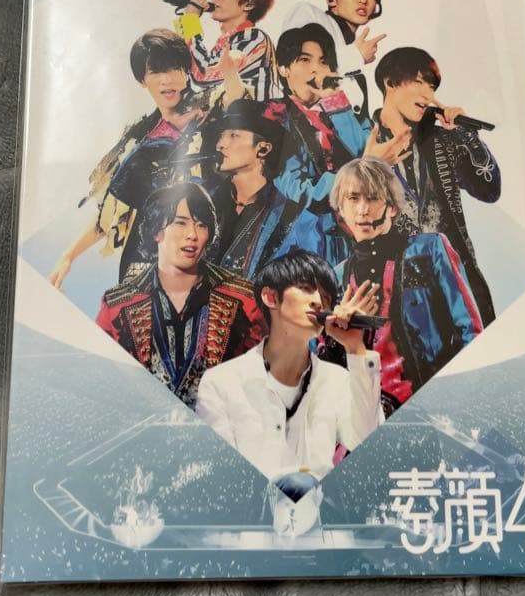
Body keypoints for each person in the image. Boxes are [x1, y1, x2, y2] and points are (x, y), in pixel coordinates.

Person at [49, 29, 245, 289]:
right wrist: (69, 255)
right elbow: (113, 212)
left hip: (203, 251)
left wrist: (230, 73)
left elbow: (236, 104)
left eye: (174, 68)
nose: (167, 80)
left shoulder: (206, 110)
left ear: (186, 72)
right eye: (156, 72)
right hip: (145, 261)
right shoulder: (139, 137)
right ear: (142, 79)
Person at [195, 249, 384, 480]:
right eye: (305, 288)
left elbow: (368, 440)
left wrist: (355, 348)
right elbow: (221, 476)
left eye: (326, 298)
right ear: (270, 297)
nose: (318, 302)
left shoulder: (337, 380)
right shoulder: (221, 382)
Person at [325, 157, 484, 416]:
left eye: (373, 198)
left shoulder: (429, 249)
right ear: (340, 209)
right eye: (353, 198)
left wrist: (459, 399)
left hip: (434, 406)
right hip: (369, 413)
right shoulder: (337, 276)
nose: (362, 210)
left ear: (392, 207)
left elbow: (471, 329)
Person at [96, 182, 265, 410]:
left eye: (202, 225)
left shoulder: (243, 299)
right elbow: (103, 384)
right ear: (156, 231)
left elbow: (261, 383)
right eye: (180, 223)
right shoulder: (118, 304)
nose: (193, 235)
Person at [372, 46, 502, 324]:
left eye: (431, 86)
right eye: (419, 82)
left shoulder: (443, 141)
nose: (427, 95)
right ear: (390, 82)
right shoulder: (361, 139)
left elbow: (489, 190)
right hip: (394, 292)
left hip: (454, 286)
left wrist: (466, 135)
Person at [269, 22, 407, 267]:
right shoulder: (273, 117)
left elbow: (368, 149)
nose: (317, 69)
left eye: (323, 62)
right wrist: (366, 165)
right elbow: (301, 191)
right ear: (283, 68)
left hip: (356, 238)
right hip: (305, 243)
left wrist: (336, 102)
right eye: (305, 60)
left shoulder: (341, 110)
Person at [202, 98, 300, 278]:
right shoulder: (204, 200)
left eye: (234, 135)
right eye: (221, 135)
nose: (220, 144)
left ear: (263, 149)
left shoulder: (289, 214)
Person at [283, 0, 388, 117]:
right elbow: (295, 69)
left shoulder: (352, 48)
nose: (363, 0)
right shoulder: (309, 14)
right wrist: (355, 55)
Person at [176, 0, 278, 100]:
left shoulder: (254, 38)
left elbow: (203, 75)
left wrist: (190, 21)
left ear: (249, 3)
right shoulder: (227, 42)